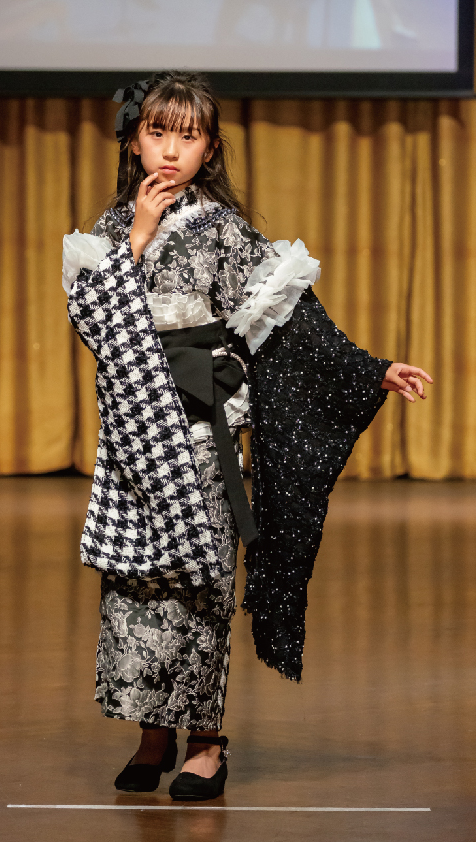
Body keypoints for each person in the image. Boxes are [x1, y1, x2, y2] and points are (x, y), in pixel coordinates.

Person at [62, 71, 432, 801]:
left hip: (200, 426)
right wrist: (135, 241)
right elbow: (93, 323)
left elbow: (289, 316)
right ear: (133, 141)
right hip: (135, 427)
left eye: (188, 136)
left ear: (210, 147)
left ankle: (205, 740)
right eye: (157, 133)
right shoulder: (106, 230)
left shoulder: (224, 230)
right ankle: (152, 732)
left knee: (202, 578)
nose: (171, 151)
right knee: (138, 579)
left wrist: (371, 369)